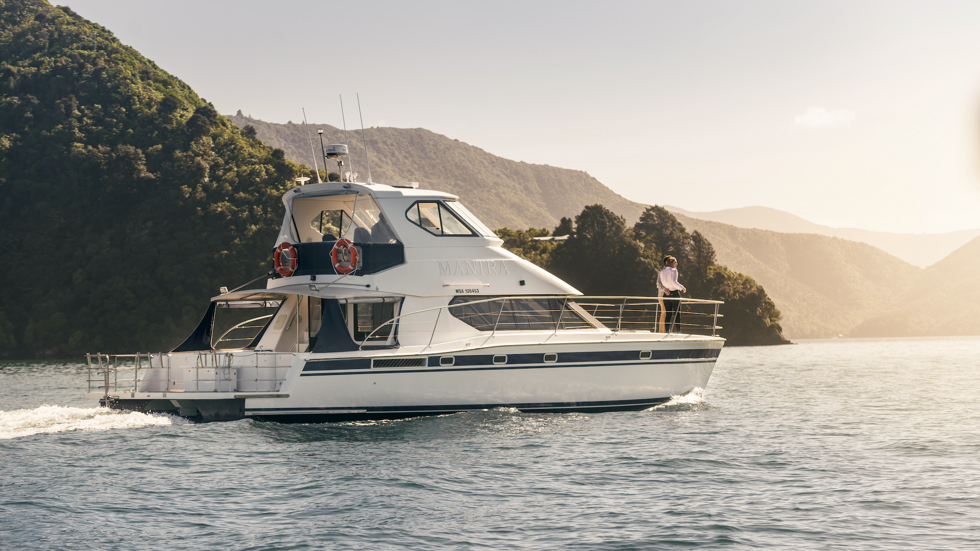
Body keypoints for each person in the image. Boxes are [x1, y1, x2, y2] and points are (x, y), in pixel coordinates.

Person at [658, 255, 686, 333]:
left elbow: (662, 283)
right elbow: (674, 282)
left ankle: (667, 331)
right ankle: (678, 331)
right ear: (672, 263)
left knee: (668, 314)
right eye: (675, 262)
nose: (676, 264)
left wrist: (665, 288)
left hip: (666, 294)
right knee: (677, 313)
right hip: (674, 293)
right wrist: (682, 287)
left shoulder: (661, 272)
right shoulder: (674, 271)